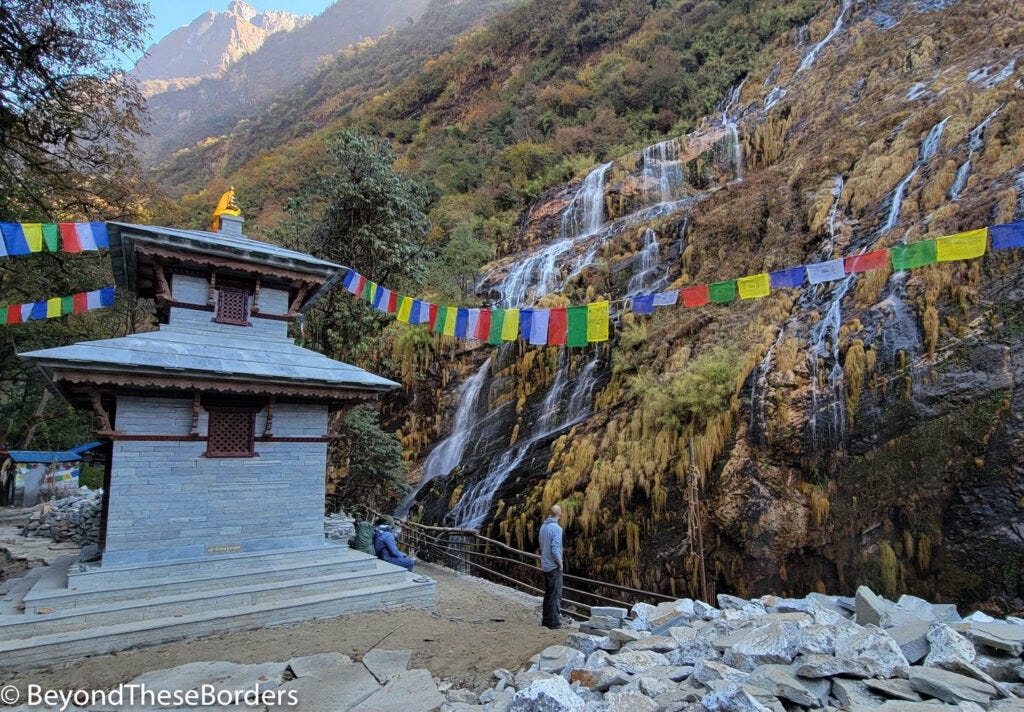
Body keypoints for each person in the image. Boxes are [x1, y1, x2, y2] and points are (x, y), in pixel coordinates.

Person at [539, 504, 564, 629]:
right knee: (555, 594)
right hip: (553, 566)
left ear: (550, 513)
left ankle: (546, 620)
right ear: (560, 514)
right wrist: (560, 563)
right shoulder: (557, 529)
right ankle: (554, 623)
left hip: (545, 564)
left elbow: (541, 544)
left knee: (548, 593)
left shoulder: (543, 527)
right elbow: (555, 548)